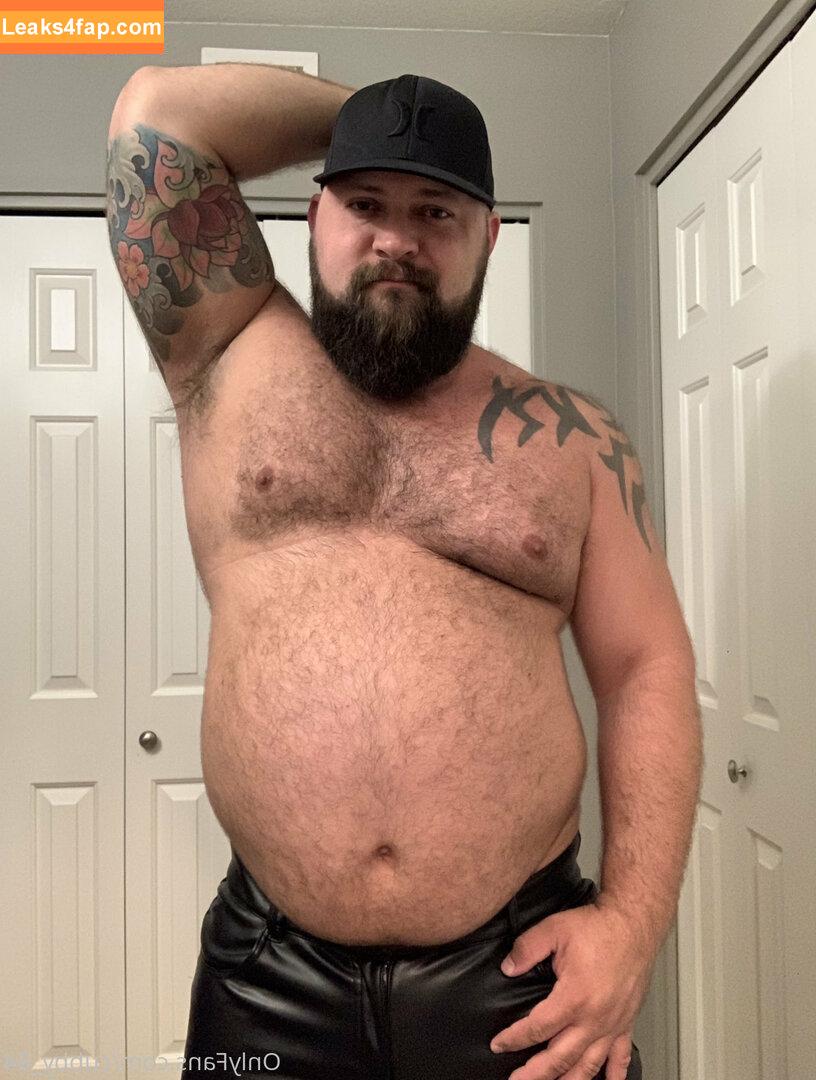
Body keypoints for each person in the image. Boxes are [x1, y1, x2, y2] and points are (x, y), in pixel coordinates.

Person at [106, 65, 702, 1080]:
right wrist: (370, 115)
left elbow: (647, 669)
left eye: (435, 209)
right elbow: (153, 117)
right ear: (314, 216)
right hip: (267, 978)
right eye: (365, 203)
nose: (396, 239)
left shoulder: (576, 442)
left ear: (489, 235)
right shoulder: (224, 355)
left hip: (519, 977)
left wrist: (633, 928)